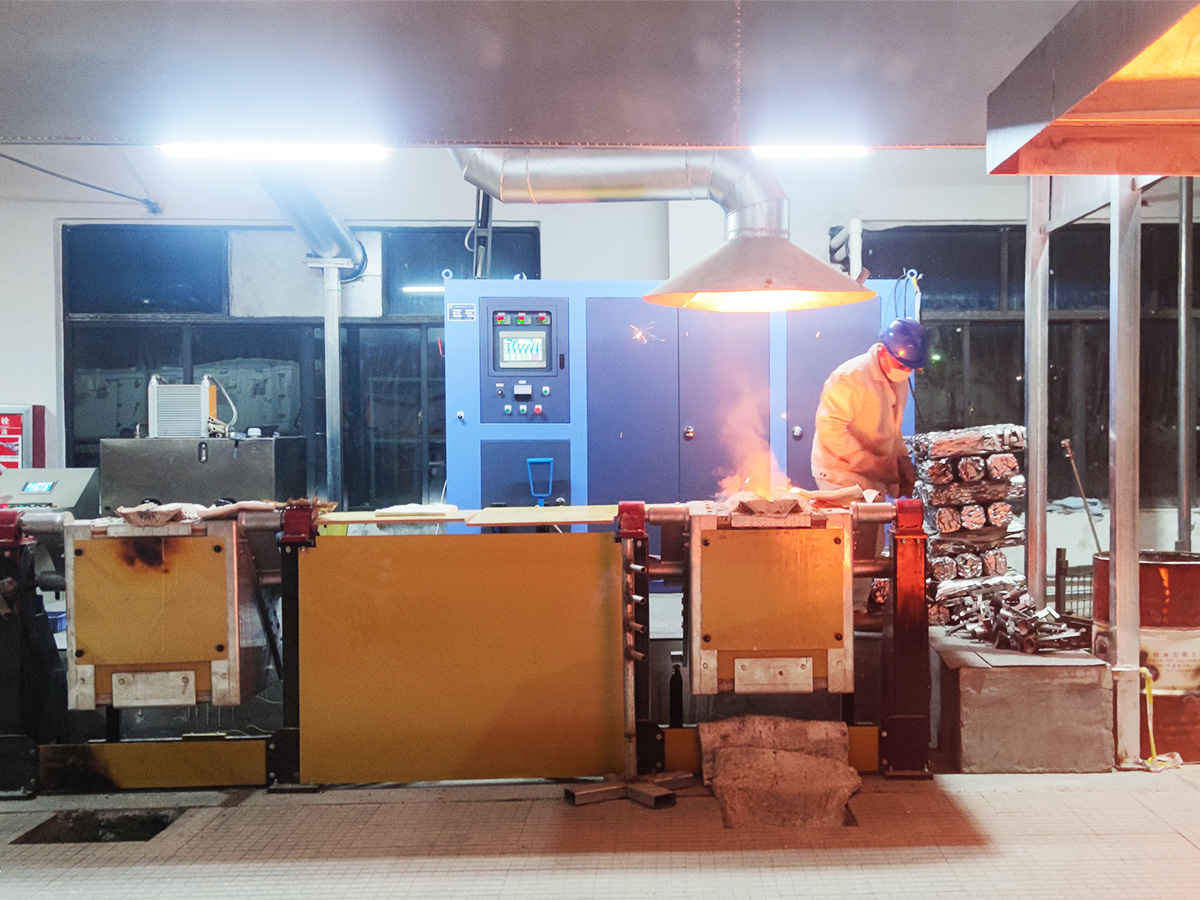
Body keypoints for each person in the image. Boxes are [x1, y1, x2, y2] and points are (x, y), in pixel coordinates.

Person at [810, 318, 928, 499]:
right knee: (857, 518)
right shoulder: (850, 377)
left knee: (875, 516)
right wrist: (869, 463)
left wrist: (902, 460)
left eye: (910, 368)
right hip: (840, 472)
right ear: (883, 351)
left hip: (872, 472)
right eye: (901, 365)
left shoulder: (898, 379)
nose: (905, 371)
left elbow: (893, 428)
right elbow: (830, 429)